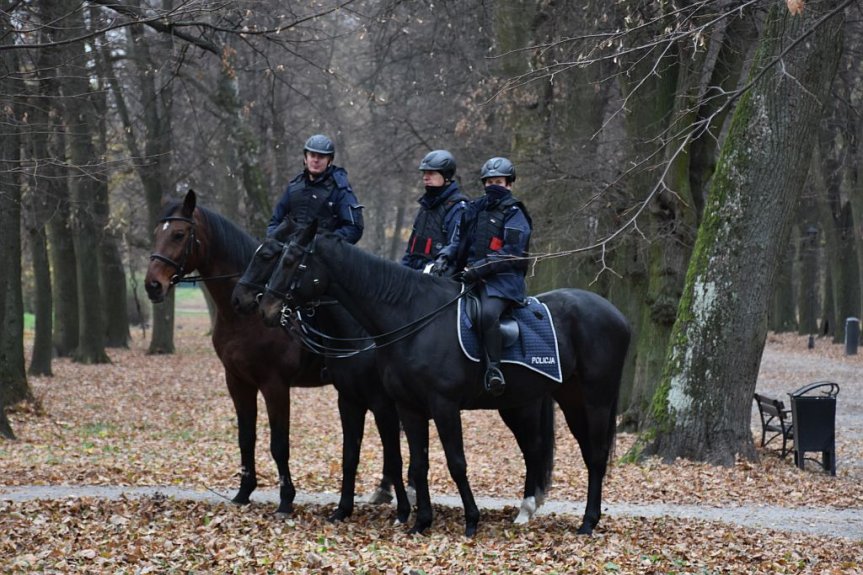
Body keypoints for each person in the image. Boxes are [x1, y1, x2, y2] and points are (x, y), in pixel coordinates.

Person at [460, 157, 531, 396]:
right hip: (471, 276)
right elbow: (459, 243)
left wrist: (478, 269)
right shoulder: (475, 209)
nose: (493, 186)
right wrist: (446, 260)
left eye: (498, 181)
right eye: (489, 182)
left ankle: (494, 370)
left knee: (488, 313)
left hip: (503, 281)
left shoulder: (515, 213)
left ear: (509, 184)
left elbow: (511, 252)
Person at [267, 134, 363, 243]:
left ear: (329, 161)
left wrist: (324, 243)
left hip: (324, 256)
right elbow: (275, 222)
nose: (316, 160)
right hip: (291, 255)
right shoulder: (294, 187)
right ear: (305, 158)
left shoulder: (340, 189)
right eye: (312, 155)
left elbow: (354, 228)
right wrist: (275, 244)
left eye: (321, 157)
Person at [401, 150, 467, 276]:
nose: (425, 177)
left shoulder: (458, 207)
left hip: (440, 276)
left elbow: (455, 245)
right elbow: (411, 251)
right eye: (424, 173)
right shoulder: (425, 207)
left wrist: (438, 264)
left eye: (431, 173)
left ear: (446, 176)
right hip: (415, 274)